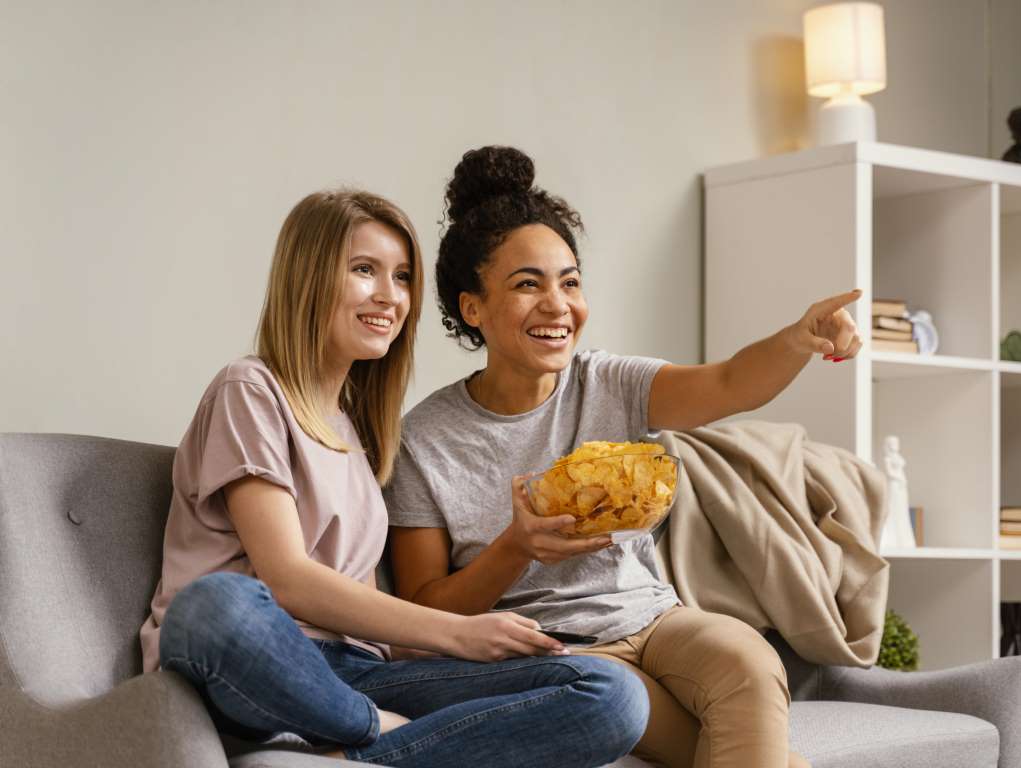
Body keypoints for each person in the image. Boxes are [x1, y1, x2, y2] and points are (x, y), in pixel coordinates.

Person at [386, 146, 862, 768]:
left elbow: (726, 384)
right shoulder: (425, 439)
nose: (558, 305)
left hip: (657, 619)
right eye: (528, 284)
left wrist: (797, 341)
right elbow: (423, 611)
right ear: (472, 307)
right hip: (557, 652)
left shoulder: (608, 382)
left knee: (749, 660)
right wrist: (516, 547)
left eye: (571, 282)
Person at [140, 188, 648, 767]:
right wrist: (458, 634)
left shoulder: (359, 430)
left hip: (358, 670)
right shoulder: (250, 390)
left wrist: (478, 647)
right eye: (364, 271)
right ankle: (370, 733)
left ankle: (362, 759)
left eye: (403, 276)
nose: (391, 296)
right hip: (254, 657)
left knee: (611, 694)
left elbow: (377, 624)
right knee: (216, 606)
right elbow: (287, 581)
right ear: (307, 278)